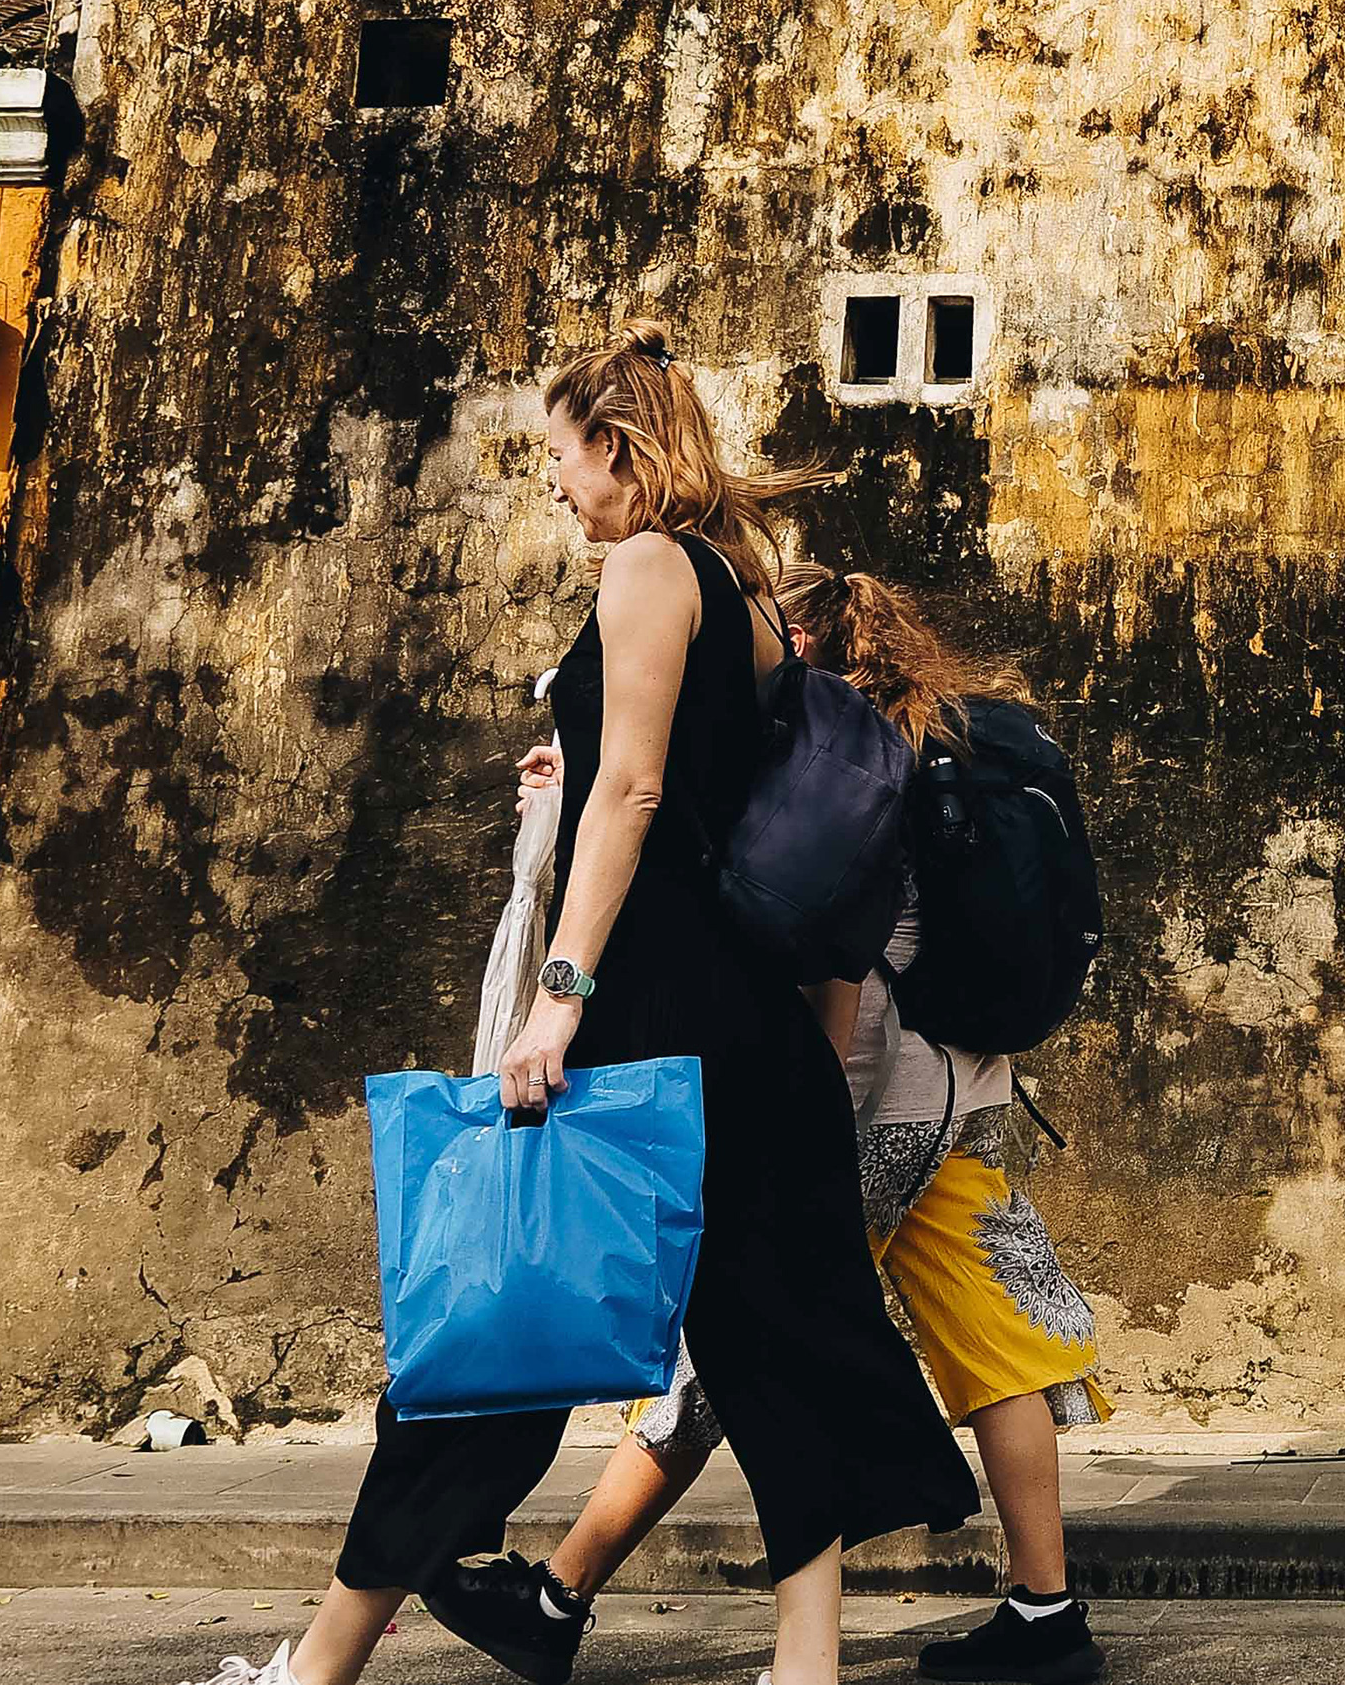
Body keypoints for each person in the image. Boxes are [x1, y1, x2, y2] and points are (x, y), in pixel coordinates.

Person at [190, 326, 976, 1685]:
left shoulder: (646, 565)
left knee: (491, 1323)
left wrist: (559, 997)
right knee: (776, 1339)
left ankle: (316, 1669)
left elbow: (639, 795)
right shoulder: (745, 585)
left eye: (557, 452)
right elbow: (680, 772)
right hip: (748, 1026)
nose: (553, 481)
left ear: (613, 446)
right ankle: (807, 1666)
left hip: (648, 1004)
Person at [428, 560, 1112, 1685]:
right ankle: (1048, 1609)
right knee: (998, 1345)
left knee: (731, 1347)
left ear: (797, 642)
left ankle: (556, 1595)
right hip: (970, 1086)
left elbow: (824, 960)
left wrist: (804, 1120)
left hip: (873, 1090)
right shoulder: (928, 738)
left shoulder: (824, 753)